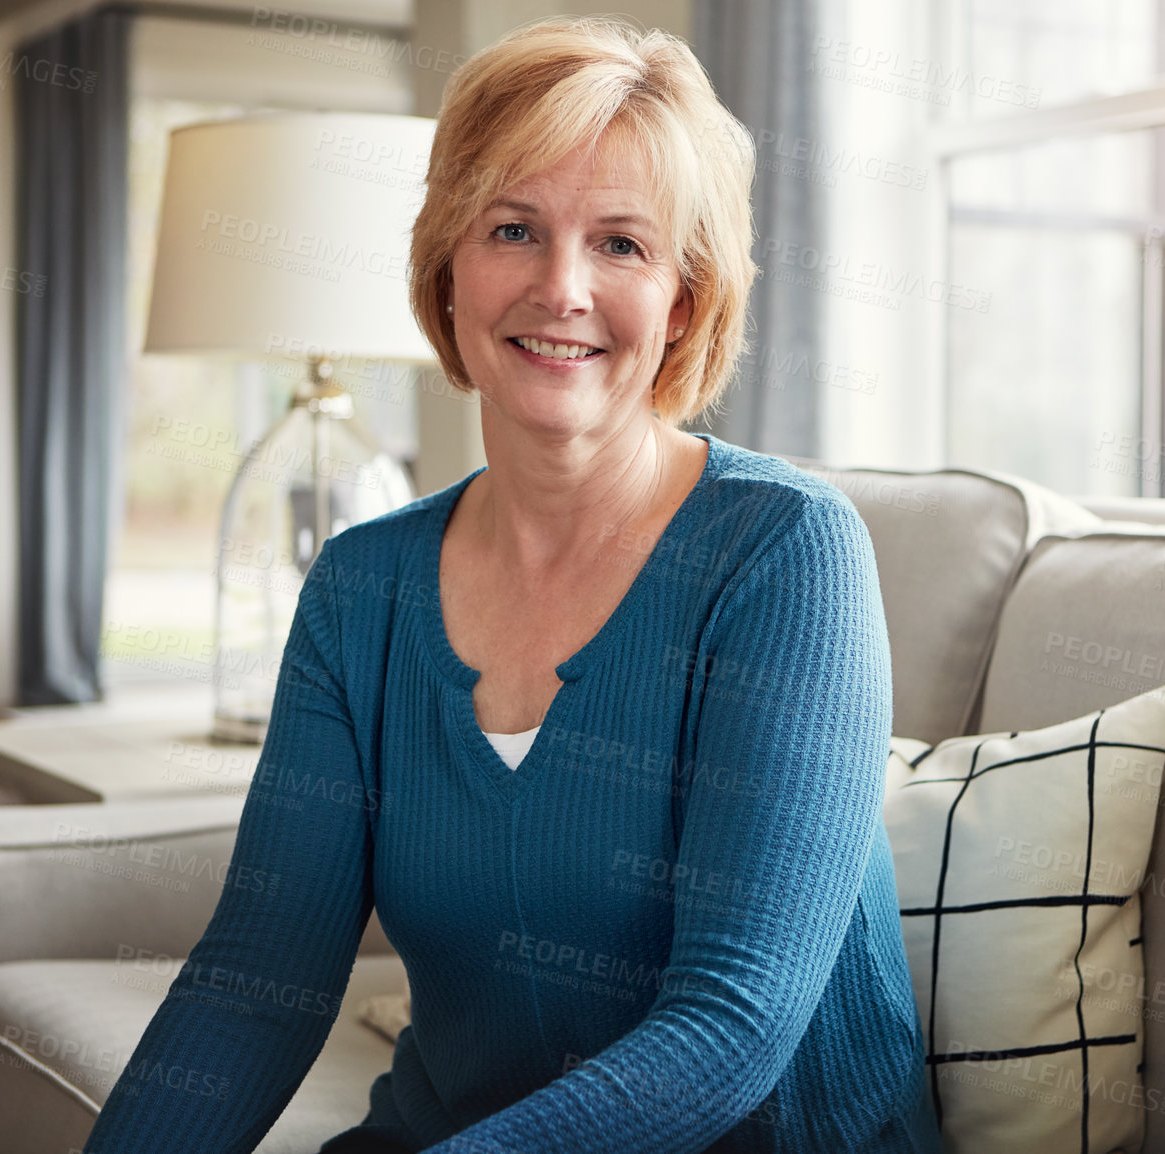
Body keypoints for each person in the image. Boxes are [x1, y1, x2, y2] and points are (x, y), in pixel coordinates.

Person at [83, 16, 940, 1153]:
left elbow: (729, 1027)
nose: (562, 287)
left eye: (622, 245)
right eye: (514, 228)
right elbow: (257, 978)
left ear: (683, 302)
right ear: (449, 268)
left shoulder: (783, 553)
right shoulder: (360, 590)